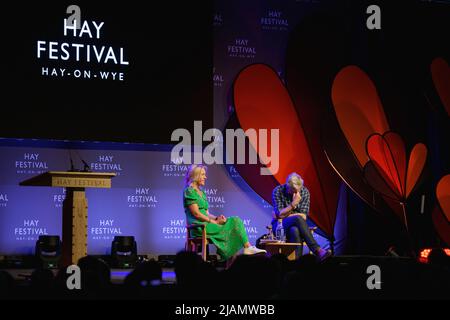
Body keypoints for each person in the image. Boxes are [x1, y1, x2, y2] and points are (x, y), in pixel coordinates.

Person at [183, 164, 266, 262]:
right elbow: (196, 214)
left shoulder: (202, 192)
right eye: (202, 175)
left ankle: (247, 247)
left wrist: (217, 218)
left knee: (235, 220)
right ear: (196, 176)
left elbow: (207, 213)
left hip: (208, 223)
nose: (205, 177)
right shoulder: (189, 191)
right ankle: (239, 255)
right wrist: (213, 222)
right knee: (232, 229)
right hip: (199, 227)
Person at [272, 172, 331, 261]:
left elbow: (304, 216)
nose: (296, 193)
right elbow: (279, 215)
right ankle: (317, 249)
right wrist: (293, 204)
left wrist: (286, 213)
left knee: (294, 230)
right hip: (279, 226)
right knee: (297, 218)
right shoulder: (278, 191)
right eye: (293, 191)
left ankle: (296, 262)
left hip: (297, 227)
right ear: (287, 186)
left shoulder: (304, 192)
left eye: (298, 191)